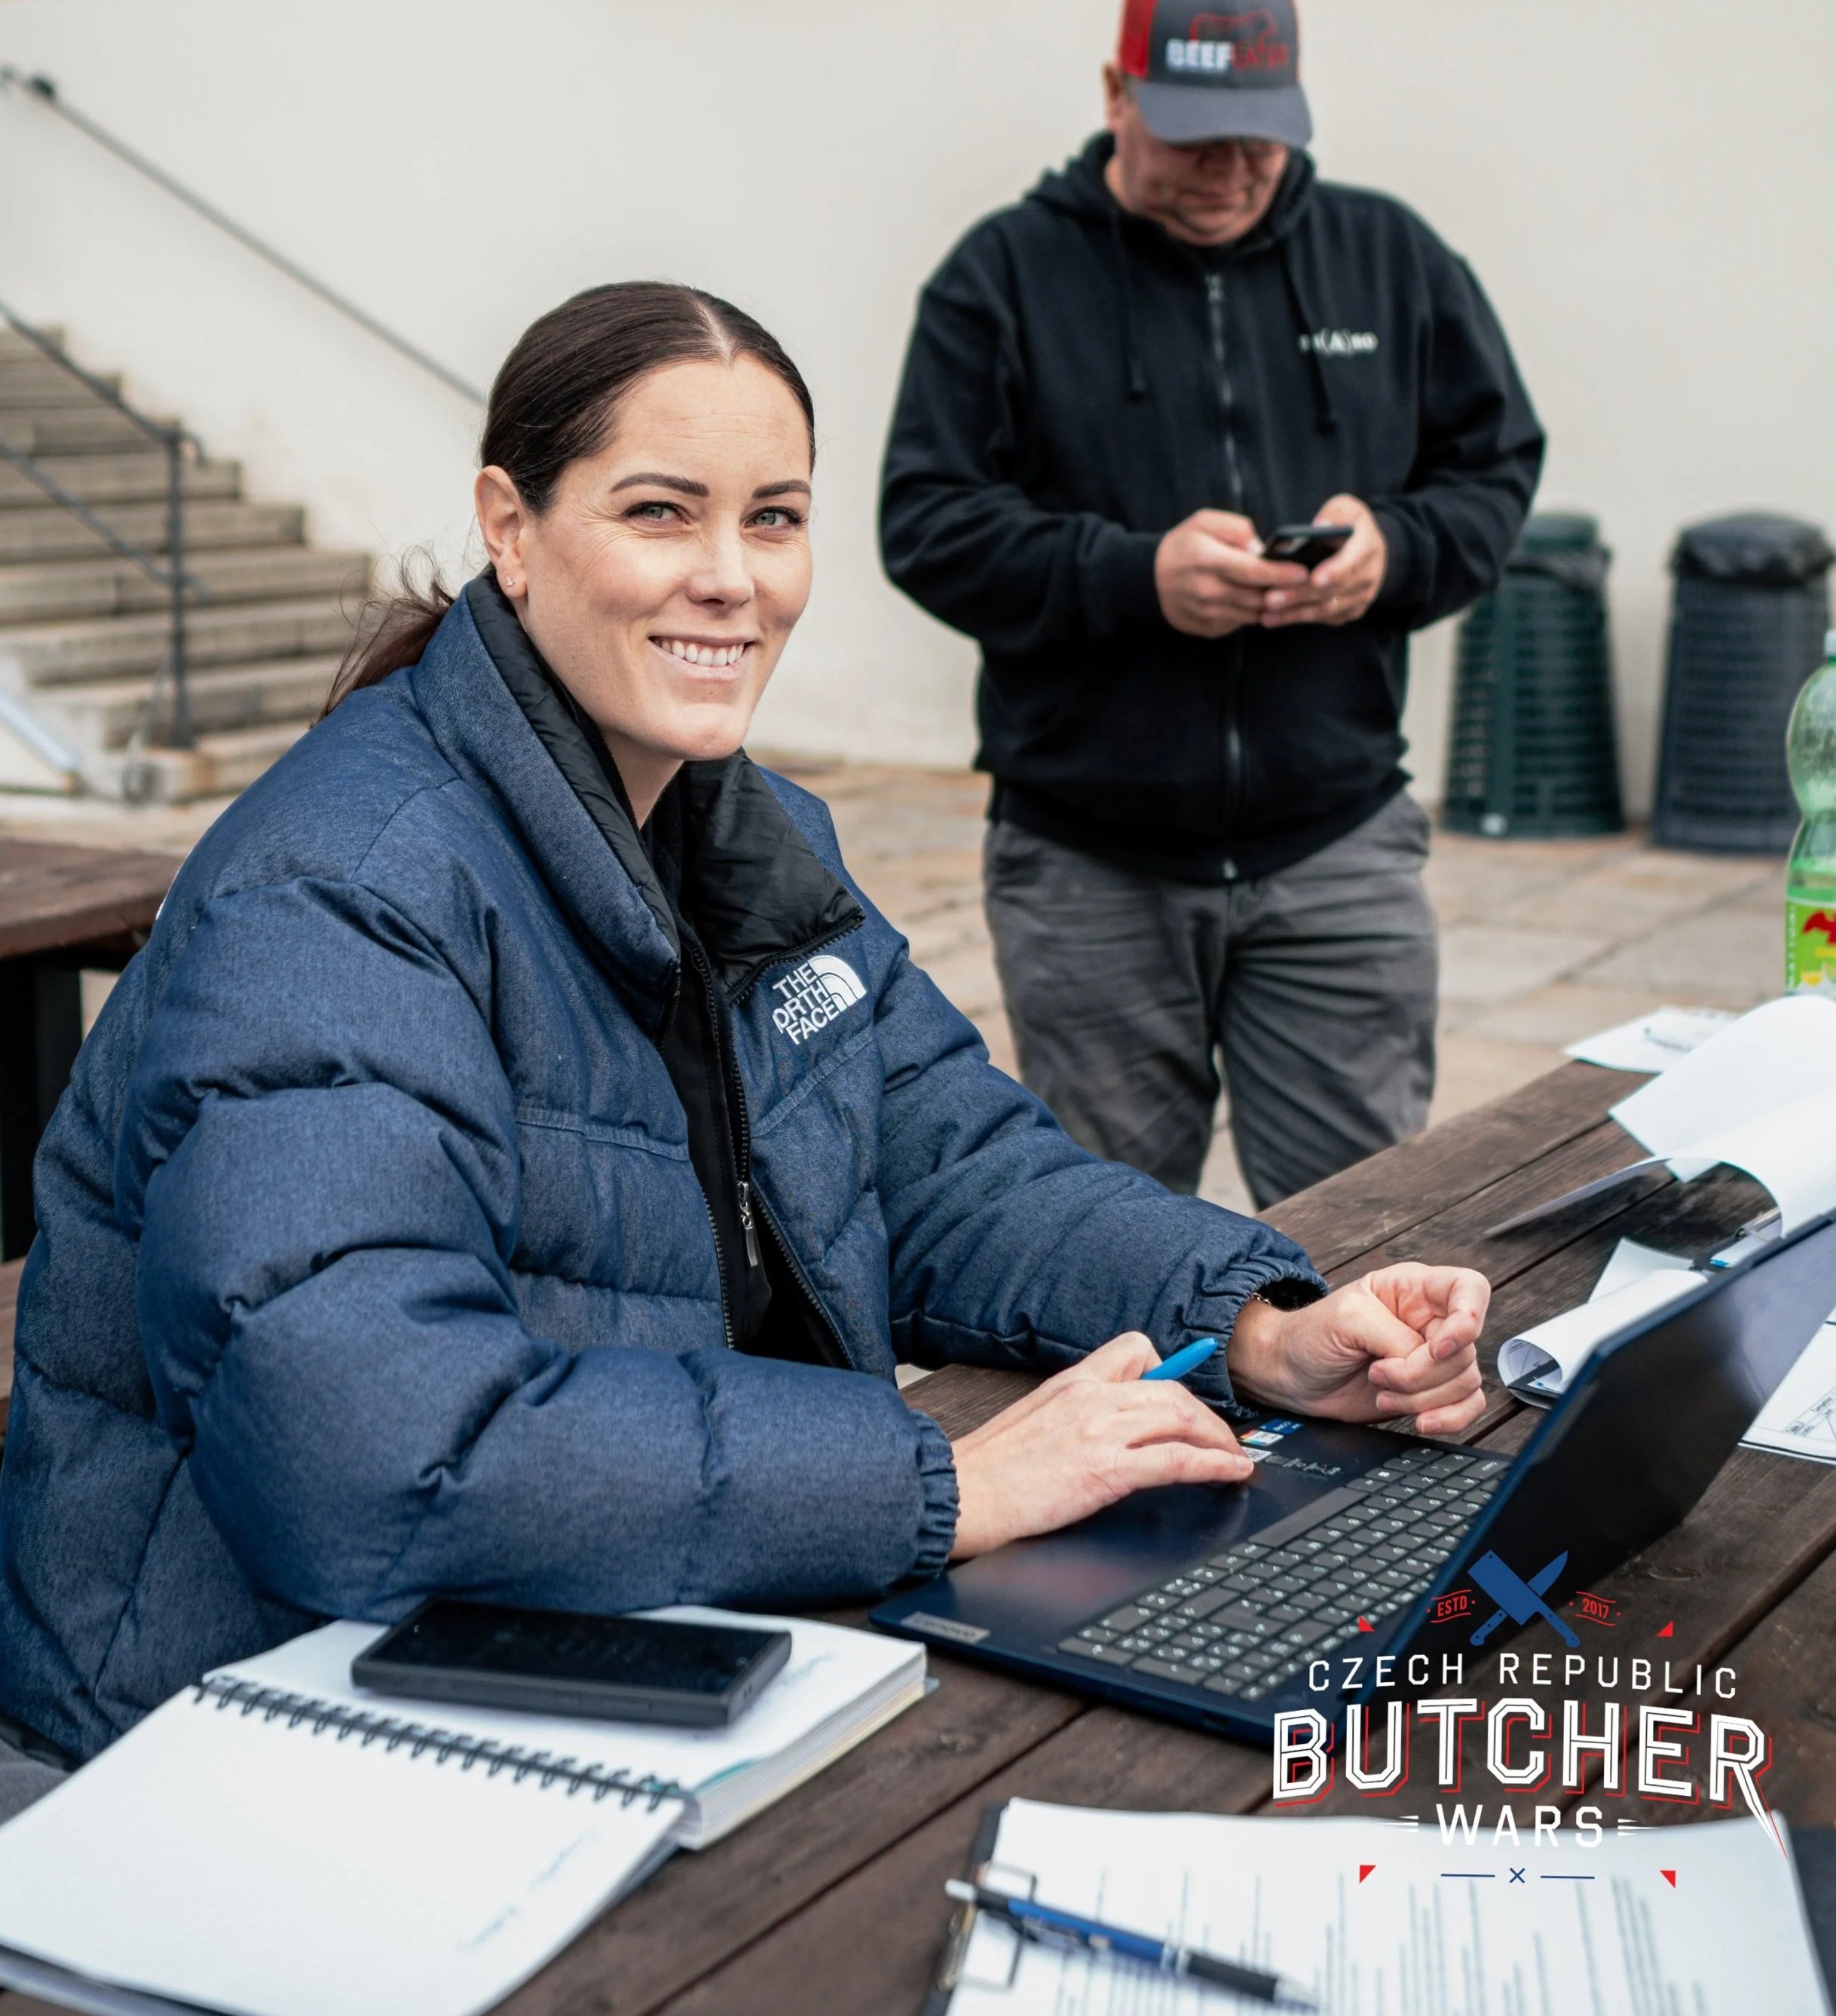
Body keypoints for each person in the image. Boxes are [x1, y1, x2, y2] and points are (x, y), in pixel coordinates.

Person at [0, 283, 1490, 1776]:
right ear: (508, 529)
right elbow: (369, 1443)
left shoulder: (746, 833)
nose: (732, 579)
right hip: (242, 1719)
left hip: (620, 1622)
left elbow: (948, 1165)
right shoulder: (342, 891)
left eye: (774, 519)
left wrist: (1253, 1326)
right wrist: (939, 1487)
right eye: (661, 513)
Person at [880, 0, 1545, 1208]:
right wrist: (1137, 580)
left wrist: (1393, 553)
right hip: (1089, 870)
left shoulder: (1390, 259)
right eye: (1196, 139)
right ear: (1116, 93)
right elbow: (926, 523)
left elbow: (1495, 466)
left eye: (1261, 140)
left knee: (1361, 1241)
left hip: (1337, 849)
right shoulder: (1001, 278)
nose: (1233, 172)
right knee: (1113, 1257)